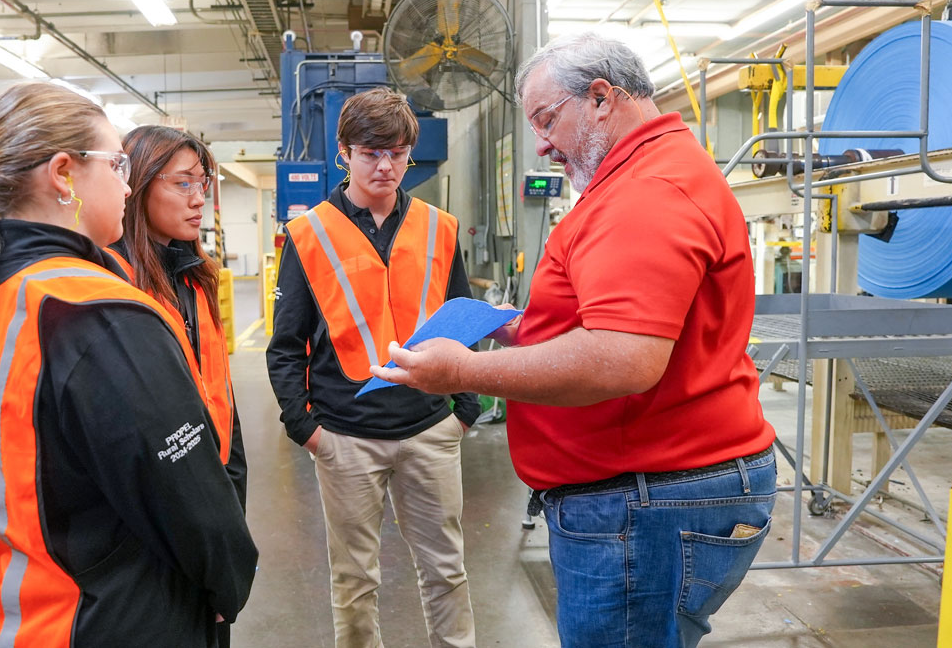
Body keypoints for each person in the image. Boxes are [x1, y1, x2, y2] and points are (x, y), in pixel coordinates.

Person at [371, 33, 778, 648]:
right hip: (649, 491)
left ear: (600, 98)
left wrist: (463, 373)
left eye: (545, 119)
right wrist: (522, 326)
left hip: (645, 502)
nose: (540, 142)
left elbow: (622, 359)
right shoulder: (643, 177)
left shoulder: (645, 193)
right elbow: (623, 327)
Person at [0, 82, 257, 647]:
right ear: (64, 173)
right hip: (84, 617)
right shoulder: (96, 312)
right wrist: (226, 587)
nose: (126, 182)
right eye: (116, 163)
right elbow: (188, 503)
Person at [266, 87, 480, 648]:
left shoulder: (440, 227)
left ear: (411, 153)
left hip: (430, 430)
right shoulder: (308, 233)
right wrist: (306, 429)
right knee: (355, 581)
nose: (385, 166)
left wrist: (465, 410)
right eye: (370, 153)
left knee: (447, 572)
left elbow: (464, 322)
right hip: (344, 438)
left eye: (397, 152)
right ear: (344, 152)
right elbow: (285, 344)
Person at [108, 125, 247, 511]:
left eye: (202, 184)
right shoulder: (115, 285)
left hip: (216, 477)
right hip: (160, 498)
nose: (198, 199)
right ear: (136, 185)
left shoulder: (196, 277)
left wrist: (234, 490)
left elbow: (221, 395)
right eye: (183, 184)